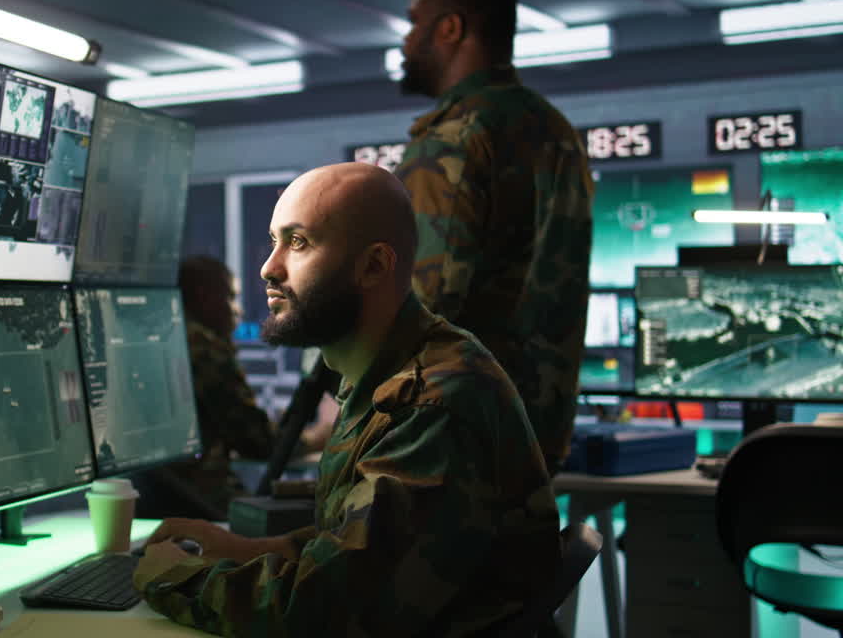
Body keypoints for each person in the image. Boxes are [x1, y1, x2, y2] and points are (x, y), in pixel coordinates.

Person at [133, 162, 559, 637]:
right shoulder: (385, 374)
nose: (268, 268)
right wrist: (243, 549)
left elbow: (324, 611)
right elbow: (354, 549)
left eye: (298, 243)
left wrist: (171, 575)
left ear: (374, 265)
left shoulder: (432, 402)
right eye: (274, 241)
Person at [395, 0, 594, 475]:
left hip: (453, 435)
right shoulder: (555, 129)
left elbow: (422, 307)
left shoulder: (456, 135)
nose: (406, 40)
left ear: (450, 28)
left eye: (414, 23)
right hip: (535, 433)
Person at [138, 256, 336, 520]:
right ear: (203, 295)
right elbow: (259, 443)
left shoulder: (159, 340)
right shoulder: (202, 347)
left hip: (156, 499)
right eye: (230, 297)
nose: (237, 310)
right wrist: (320, 435)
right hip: (201, 503)